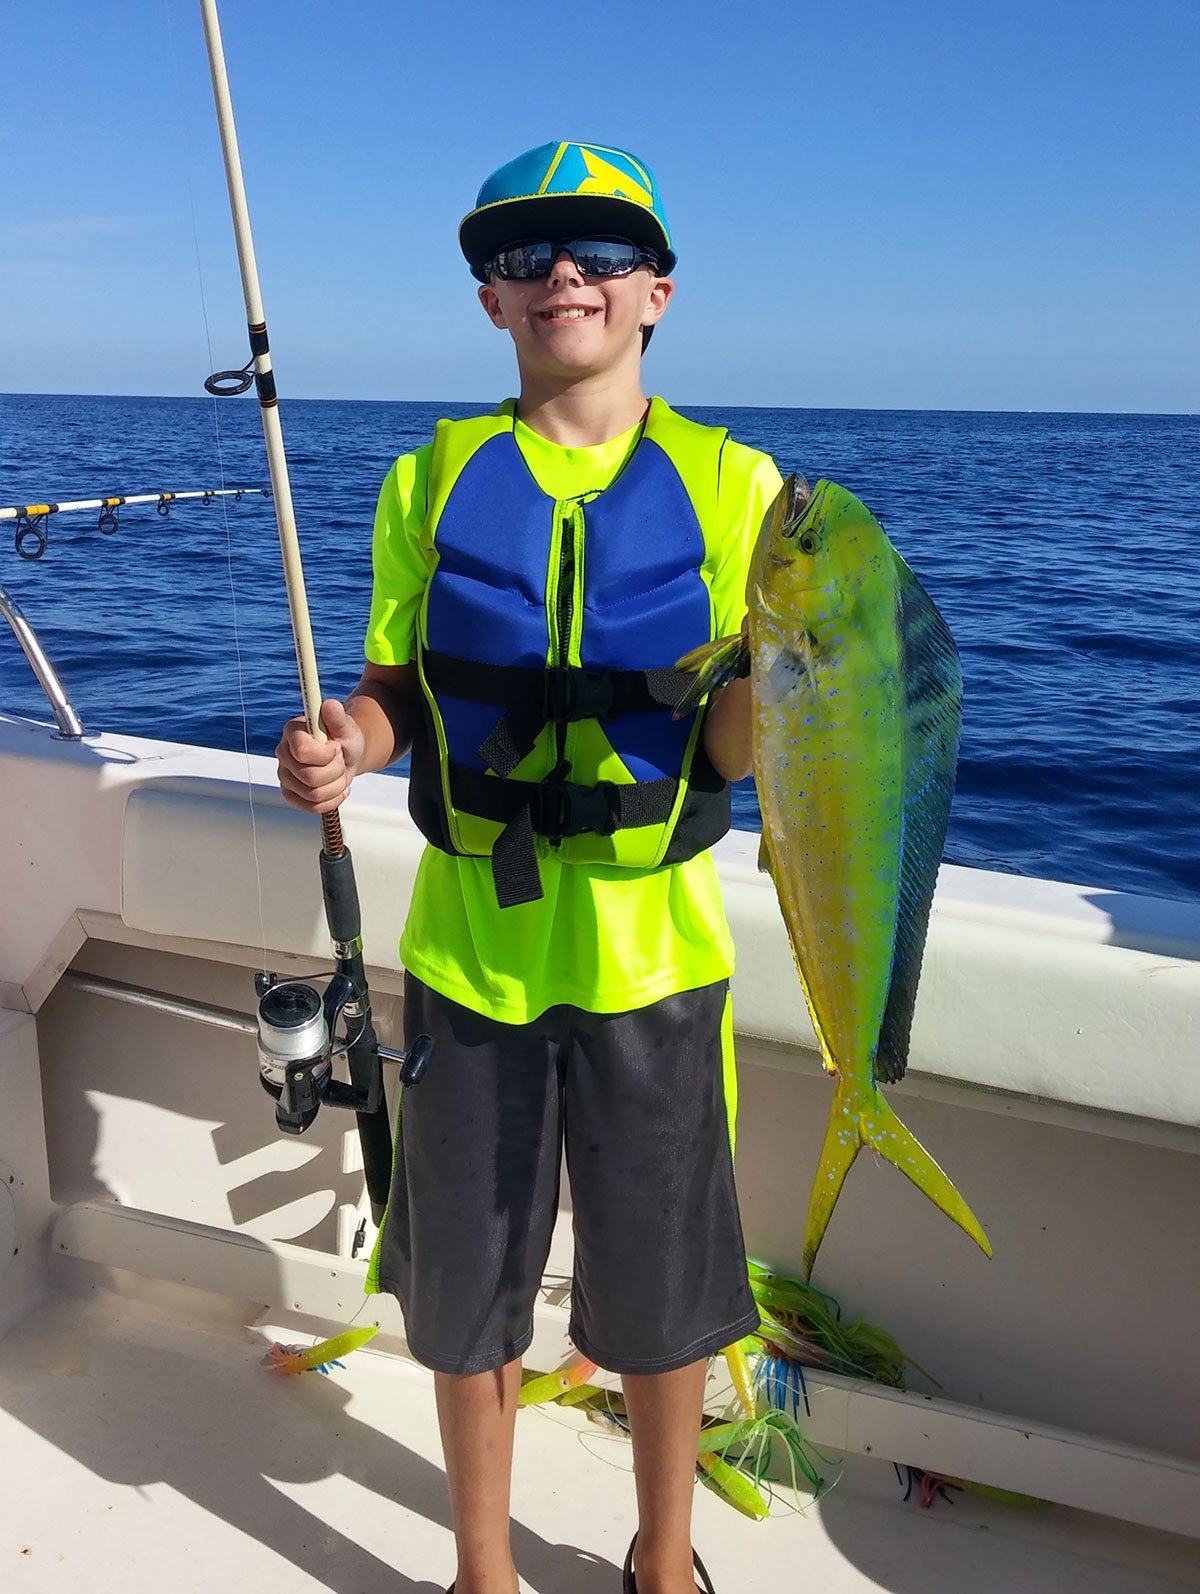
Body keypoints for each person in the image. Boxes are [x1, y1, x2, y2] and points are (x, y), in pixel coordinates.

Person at [275, 140, 783, 1594]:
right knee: (466, 1295)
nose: (564, 272)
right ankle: (484, 1571)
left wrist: (796, 669)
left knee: (667, 1299)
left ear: (658, 296)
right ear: (491, 305)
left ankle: (665, 1564)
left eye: (601, 250)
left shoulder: (741, 488)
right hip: (468, 963)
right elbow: (394, 696)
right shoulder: (428, 480)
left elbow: (740, 754)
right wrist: (343, 747)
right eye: (523, 254)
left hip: (657, 962)